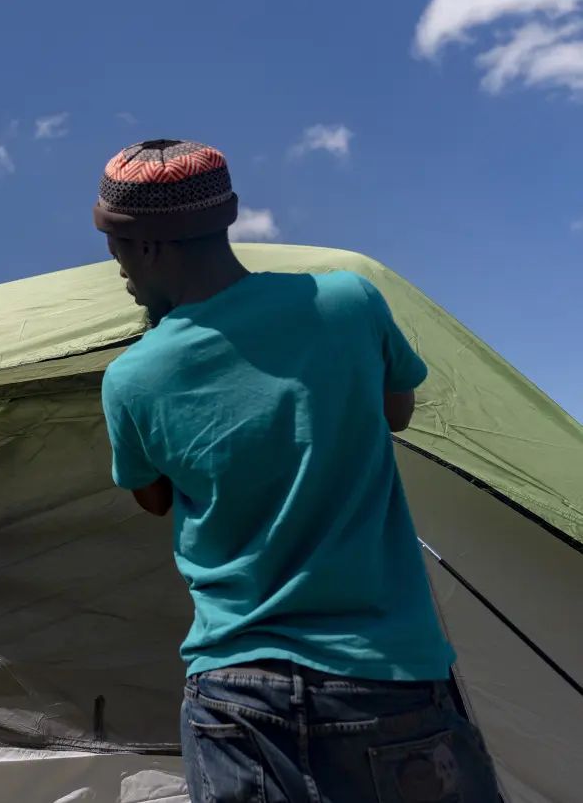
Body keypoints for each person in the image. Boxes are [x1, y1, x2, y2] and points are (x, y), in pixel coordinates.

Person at [94, 140, 503, 802]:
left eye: (113, 246)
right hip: (385, 678)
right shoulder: (348, 303)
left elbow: (152, 498)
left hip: (233, 694)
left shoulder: (132, 377)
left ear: (146, 246)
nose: (117, 269)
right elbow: (396, 412)